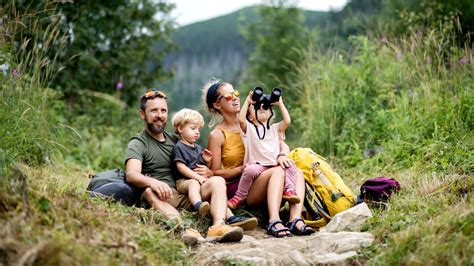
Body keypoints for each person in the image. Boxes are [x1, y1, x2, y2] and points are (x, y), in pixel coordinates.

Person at [124, 90, 255, 244]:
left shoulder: (177, 139)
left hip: (188, 193)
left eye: (163, 110)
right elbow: (131, 174)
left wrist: (207, 170)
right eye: (154, 111)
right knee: (148, 191)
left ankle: (218, 226)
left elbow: (195, 160)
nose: (159, 115)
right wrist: (153, 182)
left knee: (218, 180)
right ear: (142, 114)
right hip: (164, 195)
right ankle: (183, 228)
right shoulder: (138, 143)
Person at [203, 79, 315, 237]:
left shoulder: (255, 120)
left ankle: (295, 220)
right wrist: (243, 169)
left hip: (268, 178)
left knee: (296, 172)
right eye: (228, 97)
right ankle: (274, 221)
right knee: (278, 171)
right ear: (217, 105)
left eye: (235, 93)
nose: (235, 98)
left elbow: (280, 143)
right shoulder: (218, 135)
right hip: (245, 186)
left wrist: (283, 154)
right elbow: (214, 172)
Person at [227, 90, 300, 209]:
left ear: (271, 112)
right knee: (249, 170)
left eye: (265, 106)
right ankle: (239, 196)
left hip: (274, 164)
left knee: (290, 165)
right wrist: (248, 101)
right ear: (250, 115)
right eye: (256, 106)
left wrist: (279, 103)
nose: (261, 107)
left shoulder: (275, 128)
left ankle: (289, 190)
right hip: (258, 166)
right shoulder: (249, 129)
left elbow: (287, 121)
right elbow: (241, 120)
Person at [171, 108, 213, 216]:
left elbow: (201, 166)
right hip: (183, 181)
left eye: (198, 129)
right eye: (193, 128)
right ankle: (198, 205)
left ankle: (228, 215)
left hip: (198, 179)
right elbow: (181, 167)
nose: (197, 132)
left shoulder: (198, 148)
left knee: (215, 182)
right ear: (180, 128)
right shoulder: (179, 147)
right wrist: (197, 177)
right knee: (193, 183)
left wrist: (205, 160)